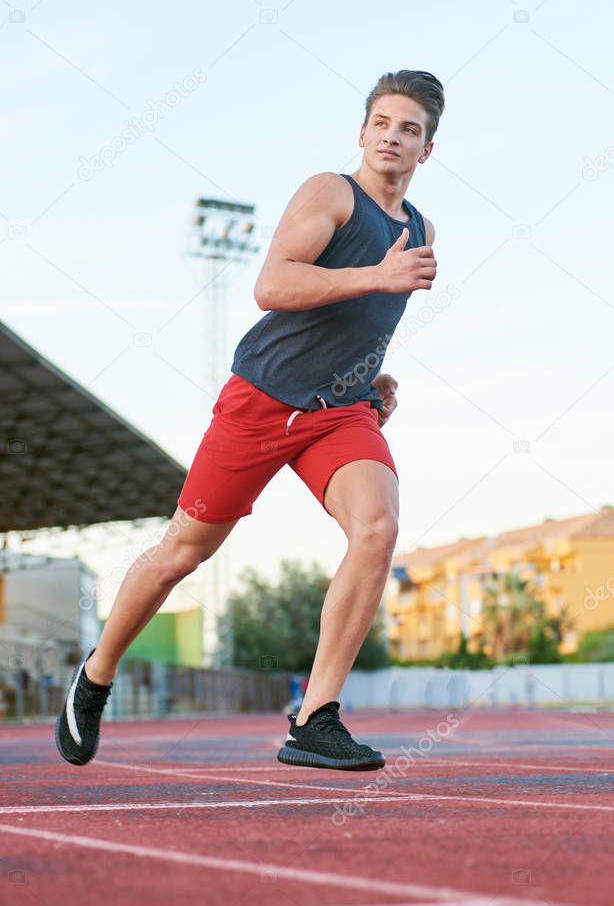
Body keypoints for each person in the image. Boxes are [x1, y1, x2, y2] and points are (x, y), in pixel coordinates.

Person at [56, 69, 444, 771]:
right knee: (182, 552)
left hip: (338, 412)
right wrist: (376, 277)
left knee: (377, 528)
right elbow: (274, 284)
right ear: (361, 132)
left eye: (409, 128)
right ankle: (97, 674)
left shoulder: (418, 228)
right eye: (382, 122)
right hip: (261, 402)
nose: (392, 136)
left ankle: (315, 716)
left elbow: (360, 319)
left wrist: (371, 372)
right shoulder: (330, 192)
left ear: (427, 149)